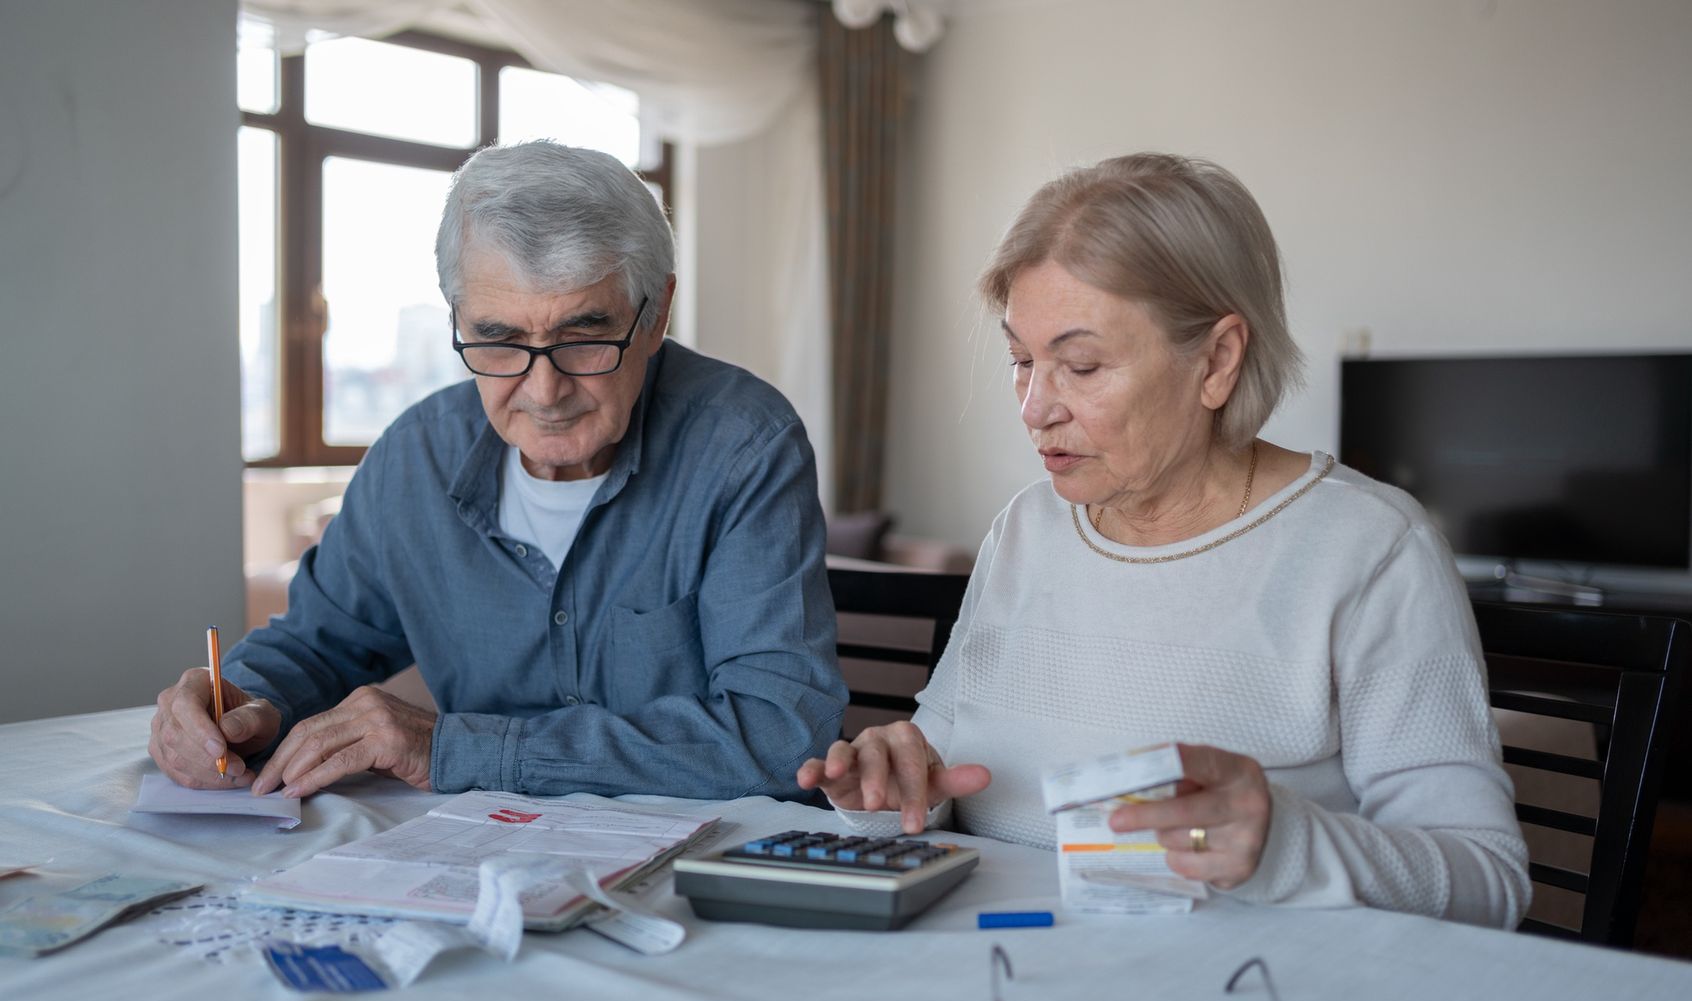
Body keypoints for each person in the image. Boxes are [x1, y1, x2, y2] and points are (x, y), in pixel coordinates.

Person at [797, 153, 1531, 928]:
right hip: (1004, 968)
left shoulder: (1367, 548)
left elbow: (1488, 884)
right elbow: (941, 771)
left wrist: (1283, 843)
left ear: (1216, 361)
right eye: (1021, 360)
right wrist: (888, 789)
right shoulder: (1027, 527)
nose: (1034, 407)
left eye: (1080, 365)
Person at [150, 141, 846, 801]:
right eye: (499, 338)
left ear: (655, 313)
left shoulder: (742, 444)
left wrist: (460, 748)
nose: (544, 392)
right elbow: (315, 644)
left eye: (583, 335)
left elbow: (778, 735)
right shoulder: (415, 456)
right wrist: (232, 702)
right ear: (458, 318)